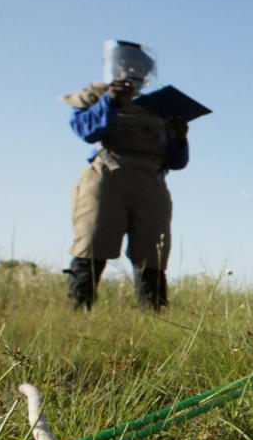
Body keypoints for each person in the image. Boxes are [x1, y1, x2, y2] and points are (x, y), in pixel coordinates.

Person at [60, 40, 189, 310]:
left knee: (153, 252)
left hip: (152, 182)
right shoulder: (94, 96)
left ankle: (153, 316)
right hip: (107, 178)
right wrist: (111, 102)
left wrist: (179, 137)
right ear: (113, 66)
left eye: (138, 66)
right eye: (125, 64)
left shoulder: (162, 107)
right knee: (92, 243)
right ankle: (79, 313)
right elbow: (85, 131)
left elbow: (178, 161)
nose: (131, 69)